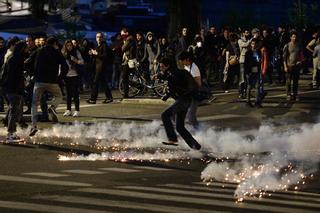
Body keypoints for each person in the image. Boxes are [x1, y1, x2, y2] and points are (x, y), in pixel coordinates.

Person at [155, 57, 201, 150]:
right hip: (184, 100)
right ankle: (195, 146)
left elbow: (172, 80)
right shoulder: (175, 72)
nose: (161, 69)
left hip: (183, 100)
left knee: (165, 115)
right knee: (180, 127)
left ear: (168, 66)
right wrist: (166, 96)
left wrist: (160, 76)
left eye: (162, 67)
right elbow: (174, 87)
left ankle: (172, 139)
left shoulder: (173, 73)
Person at [29, 37, 68, 136]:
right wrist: (60, 78)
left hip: (38, 81)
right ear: (55, 43)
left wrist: (31, 74)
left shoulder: (39, 50)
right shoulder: (57, 52)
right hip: (52, 81)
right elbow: (65, 66)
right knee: (59, 96)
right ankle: (53, 107)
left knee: (34, 104)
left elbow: (27, 62)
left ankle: (33, 126)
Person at [1, 41, 27, 142]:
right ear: (22, 49)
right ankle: (10, 134)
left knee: (12, 109)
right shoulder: (17, 59)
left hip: (7, 88)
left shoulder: (12, 57)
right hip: (13, 88)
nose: (26, 50)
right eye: (25, 48)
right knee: (13, 111)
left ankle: (12, 132)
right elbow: (14, 76)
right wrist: (19, 87)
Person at [87, 32, 113, 104]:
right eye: (97, 37)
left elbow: (105, 56)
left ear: (103, 38)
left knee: (95, 82)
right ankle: (109, 97)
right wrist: (91, 54)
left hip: (101, 67)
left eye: (100, 37)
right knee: (103, 83)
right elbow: (96, 57)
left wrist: (96, 54)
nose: (98, 38)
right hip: (97, 66)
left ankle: (93, 99)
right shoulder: (97, 45)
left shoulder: (104, 45)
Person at [178, 51, 201, 128]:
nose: (181, 63)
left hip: (193, 96)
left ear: (187, 59)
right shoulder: (186, 67)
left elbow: (198, 84)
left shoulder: (194, 68)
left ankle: (200, 132)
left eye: (182, 61)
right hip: (187, 95)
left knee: (191, 118)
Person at [61, 40, 84, 117]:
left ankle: (77, 110)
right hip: (66, 76)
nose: (69, 47)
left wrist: (76, 60)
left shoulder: (76, 52)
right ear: (65, 46)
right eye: (67, 45)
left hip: (75, 75)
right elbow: (60, 64)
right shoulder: (63, 53)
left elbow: (82, 61)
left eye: (70, 45)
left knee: (75, 94)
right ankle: (68, 110)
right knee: (68, 94)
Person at [244, 39, 267, 108]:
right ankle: (248, 101)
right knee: (249, 86)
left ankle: (257, 102)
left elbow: (260, 61)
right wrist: (247, 72)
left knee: (257, 86)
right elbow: (246, 64)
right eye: (252, 44)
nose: (253, 45)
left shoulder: (258, 52)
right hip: (250, 72)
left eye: (254, 44)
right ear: (250, 45)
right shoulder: (248, 53)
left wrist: (259, 64)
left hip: (256, 71)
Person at [283, 31, 304, 101]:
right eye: (293, 37)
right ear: (290, 37)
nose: (294, 38)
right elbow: (284, 57)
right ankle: (288, 94)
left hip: (296, 66)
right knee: (288, 81)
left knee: (296, 81)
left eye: (295, 37)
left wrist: (300, 61)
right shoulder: (287, 45)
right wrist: (285, 66)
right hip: (289, 66)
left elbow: (301, 55)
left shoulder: (299, 45)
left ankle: (295, 94)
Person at [121, 28, 137, 98]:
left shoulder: (129, 39)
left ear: (126, 33)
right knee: (127, 77)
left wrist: (124, 43)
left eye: (122, 34)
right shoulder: (132, 39)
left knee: (125, 77)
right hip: (130, 60)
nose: (121, 35)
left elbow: (123, 49)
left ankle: (126, 94)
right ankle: (139, 86)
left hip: (128, 61)